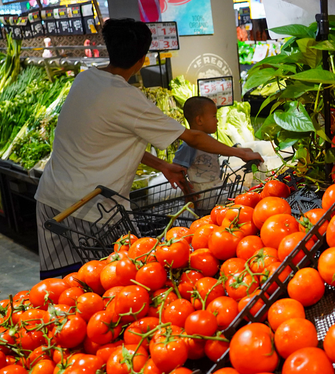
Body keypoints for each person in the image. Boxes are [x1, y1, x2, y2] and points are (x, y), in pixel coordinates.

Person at [35, 18, 263, 279]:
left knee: (58, 288)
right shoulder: (128, 97)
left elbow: (108, 142)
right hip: (91, 211)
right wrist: (241, 152)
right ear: (142, 59)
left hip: (51, 200)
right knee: (104, 285)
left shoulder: (85, 81)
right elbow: (193, 137)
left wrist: (162, 165)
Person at [173, 97, 224, 213]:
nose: (217, 120)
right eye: (214, 116)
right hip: (202, 195)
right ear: (199, 120)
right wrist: (186, 190)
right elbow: (177, 168)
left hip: (214, 189)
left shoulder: (210, 140)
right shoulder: (189, 145)